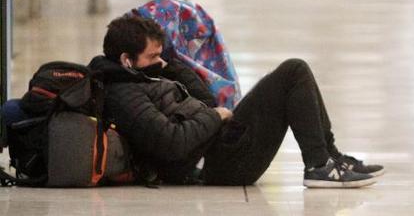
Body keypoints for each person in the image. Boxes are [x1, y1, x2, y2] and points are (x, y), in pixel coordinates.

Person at [88, 14, 383, 188]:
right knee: (292, 71)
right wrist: (215, 118)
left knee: (297, 70)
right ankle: (319, 165)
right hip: (218, 164)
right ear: (126, 60)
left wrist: (172, 67)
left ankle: (328, 157)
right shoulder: (122, 94)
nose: (159, 61)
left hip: (218, 143)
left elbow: (204, 98)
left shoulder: (145, 73)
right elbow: (172, 142)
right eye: (152, 56)